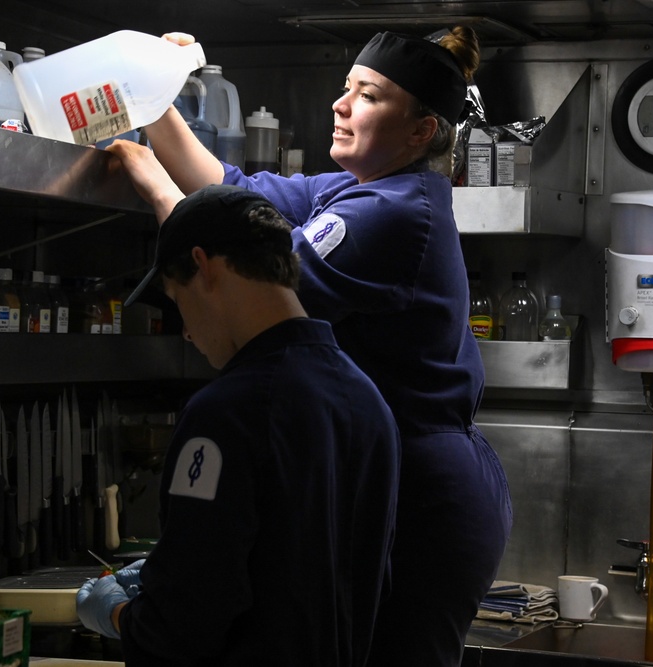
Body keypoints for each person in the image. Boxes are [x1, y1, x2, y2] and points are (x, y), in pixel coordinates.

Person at [106, 27, 513, 666]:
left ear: (420, 131)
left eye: (368, 96)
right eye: (345, 89)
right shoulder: (352, 189)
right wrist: (155, 101)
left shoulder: (394, 214)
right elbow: (230, 190)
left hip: (424, 489)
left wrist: (151, 182)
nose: (339, 105)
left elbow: (252, 277)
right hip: (381, 464)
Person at [76, 184, 401, 666]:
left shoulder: (224, 414)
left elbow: (184, 621)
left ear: (204, 266)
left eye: (178, 299)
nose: (186, 331)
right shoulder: (367, 399)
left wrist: (120, 613)